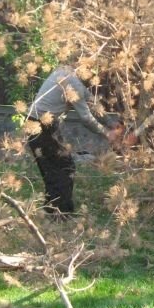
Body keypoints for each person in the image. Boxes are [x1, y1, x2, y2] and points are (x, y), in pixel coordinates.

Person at [25, 66, 124, 215]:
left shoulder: (66, 73)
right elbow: (86, 118)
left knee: (53, 169)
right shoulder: (73, 83)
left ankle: (53, 211)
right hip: (41, 127)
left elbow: (93, 105)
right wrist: (107, 134)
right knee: (64, 167)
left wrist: (110, 122)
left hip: (43, 124)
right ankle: (61, 214)